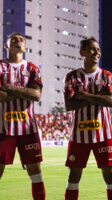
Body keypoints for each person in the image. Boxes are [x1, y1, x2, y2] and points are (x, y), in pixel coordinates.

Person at [63, 37, 112, 200]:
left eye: (98, 49)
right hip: (78, 135)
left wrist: (85, 95)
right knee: (73, 176)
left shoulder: (107, 76)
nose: (97, 52)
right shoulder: (72, 76)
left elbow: (111, 101)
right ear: (82, 52)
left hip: (104, 135)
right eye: (92, 49)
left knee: (110, 176)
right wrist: (98, 97)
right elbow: (69, 104)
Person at [0, 32, 45, 200]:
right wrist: (25, 92)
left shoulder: (32, 68)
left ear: (25, 47)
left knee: (35, 171)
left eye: (21, 40)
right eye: (13, 40)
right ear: (6, 46)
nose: (18, 41)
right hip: (3, 128)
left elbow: (37, 95)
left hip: (28, 129)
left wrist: (9, 87)